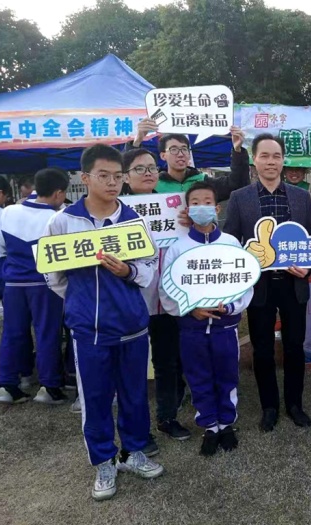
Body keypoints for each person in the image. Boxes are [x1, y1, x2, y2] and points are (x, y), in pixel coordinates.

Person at [44, 145, 163, 501]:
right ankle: (103, 461)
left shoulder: (135, 221)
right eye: (104, 176)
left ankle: (133, 452)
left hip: (132, 325)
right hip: (89, 330)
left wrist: (127, 271)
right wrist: (81, 303)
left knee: (134, 394)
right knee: (95, 398)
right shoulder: (63, 221)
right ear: (85, 178)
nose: (113, 183)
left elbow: (149, 267)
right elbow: (54, 276)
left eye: (118, 176)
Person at [224, 133, 311, 432]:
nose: (271, 161)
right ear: (254, 160)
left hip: (294, 284)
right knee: (262, 347)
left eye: (276, 156)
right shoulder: (240, 198)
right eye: (264, 155)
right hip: (259, 286)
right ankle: (269, 407)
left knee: (295, 345)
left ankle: (295, 404)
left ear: (283, 160)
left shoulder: (301, 197)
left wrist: (307, 268)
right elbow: (231, 241)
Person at [160, 181, 252, 456]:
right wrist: (190, 309)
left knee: (227, 375)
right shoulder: (178, 247)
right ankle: (210, 426)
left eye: (207, 202)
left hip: (225, 328)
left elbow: (245, 282)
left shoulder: (231, 243)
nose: (202, 207)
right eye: (196, 203)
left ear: (217, 208)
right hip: (192, 328)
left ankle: (226, 424)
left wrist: (231, 307)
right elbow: (166, 288)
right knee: (198, 376)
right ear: (188, 210)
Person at [120, 148, 190, 454]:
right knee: (133, 369)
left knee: (168, 362)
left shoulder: (173, 206)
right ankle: (137, 430)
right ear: (125, 176)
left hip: (168, 299)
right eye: (139, 168)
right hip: (130, 301)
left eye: (151, 167)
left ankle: (167, 417)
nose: (148, 173)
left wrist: (192, 223)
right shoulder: (116, 210)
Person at [0, 168, 69, 405]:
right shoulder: (59, 217)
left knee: (12, 333)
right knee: (47, 334)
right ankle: (49, 386)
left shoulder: (9, 211)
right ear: (58, 193)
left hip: (13, 283)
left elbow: (1, 245)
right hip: (44, 284)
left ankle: (7, 386)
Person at [129, 119, 251, 201]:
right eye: (174, 149)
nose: (180, 154)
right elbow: (128, 182)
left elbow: (238, 185)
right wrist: (137, 141)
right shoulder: (153, 185)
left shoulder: (204, 182)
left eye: (184, 149)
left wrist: (237, 150)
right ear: (163, 155)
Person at [0, 175, 12, 401]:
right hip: (2, 266)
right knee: (12, 324)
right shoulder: (3, 215)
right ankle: (15, 376)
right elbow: (7, 242)